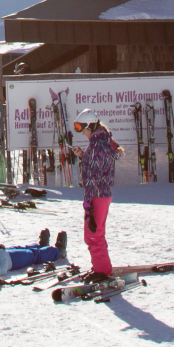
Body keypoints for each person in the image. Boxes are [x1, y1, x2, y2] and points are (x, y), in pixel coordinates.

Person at [76, 109, 121, 282]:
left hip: (97, 194)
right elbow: (107, 159)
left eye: (81, 127)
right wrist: (84, 156)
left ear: (89, 126)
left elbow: (93, 178)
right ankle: (99, 267)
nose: (81, 132)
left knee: (93, 234)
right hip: (102, 193)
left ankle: (102, 271)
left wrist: (88, 206)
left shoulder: (96, 146)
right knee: (95, 233)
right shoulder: (101, 143)